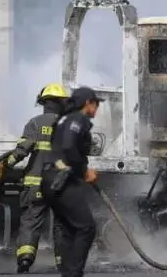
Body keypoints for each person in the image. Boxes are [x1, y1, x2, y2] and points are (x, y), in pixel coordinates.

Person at [0, 83, 71, 273]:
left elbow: (22, 150)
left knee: (31, 222)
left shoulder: (35, 123)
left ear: (44, 103)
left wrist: (5, 165)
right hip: (61, 186)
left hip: (36, 185)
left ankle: (25, 260)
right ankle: (63, 263)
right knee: (61, 224)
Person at [41, 86, 102, 277]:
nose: (97, 108)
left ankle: (68, 273)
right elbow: (68, 146)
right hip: (62, 180)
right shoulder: (78, 119)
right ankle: (73, 274)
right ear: (88, 103)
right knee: (86, 227)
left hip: (51, 179)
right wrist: (84, 171)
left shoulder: (64, 119)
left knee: (69, 230)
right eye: (96, 104)